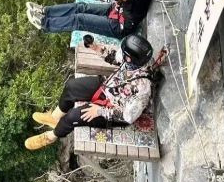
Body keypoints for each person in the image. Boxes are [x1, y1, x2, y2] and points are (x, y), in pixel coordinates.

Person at [24, 35, 154, 150]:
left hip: (113, 110)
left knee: (73, 116)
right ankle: (54, 118)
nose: (121, 54)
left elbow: (128, 117)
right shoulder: (132, 63)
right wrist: (95, 47)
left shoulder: (142, 87)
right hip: (107, 87)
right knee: (71, 86)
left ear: (130, 58)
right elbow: (115, 57)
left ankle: (51, 137)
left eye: (124, 54)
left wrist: (100, 111)